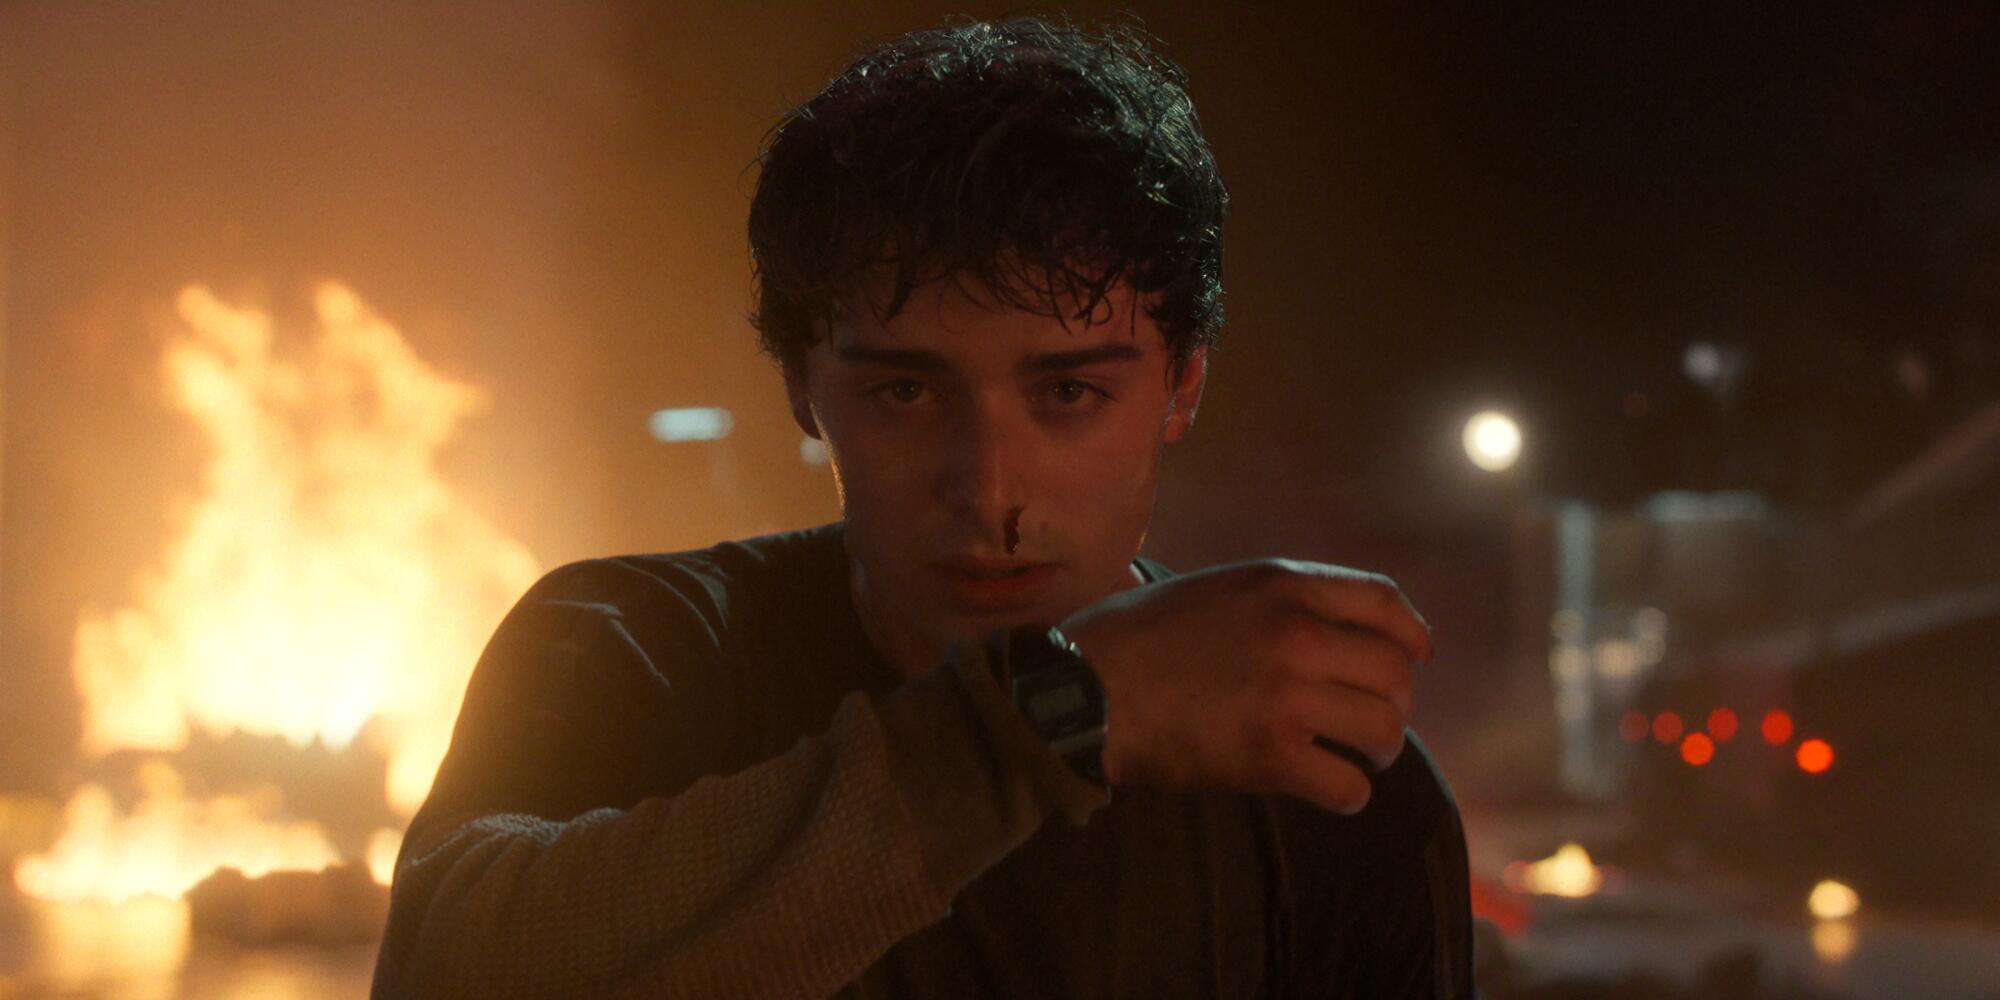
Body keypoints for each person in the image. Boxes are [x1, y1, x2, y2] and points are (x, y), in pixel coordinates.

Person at [372, 15, 1472, 999]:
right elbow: (446, 969)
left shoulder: (1308, 779)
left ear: (1182, 383)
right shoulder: (640, 650)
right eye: (903, 391)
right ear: (800, 386)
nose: (987, 489)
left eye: (1069, 393)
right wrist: (1054, 717)